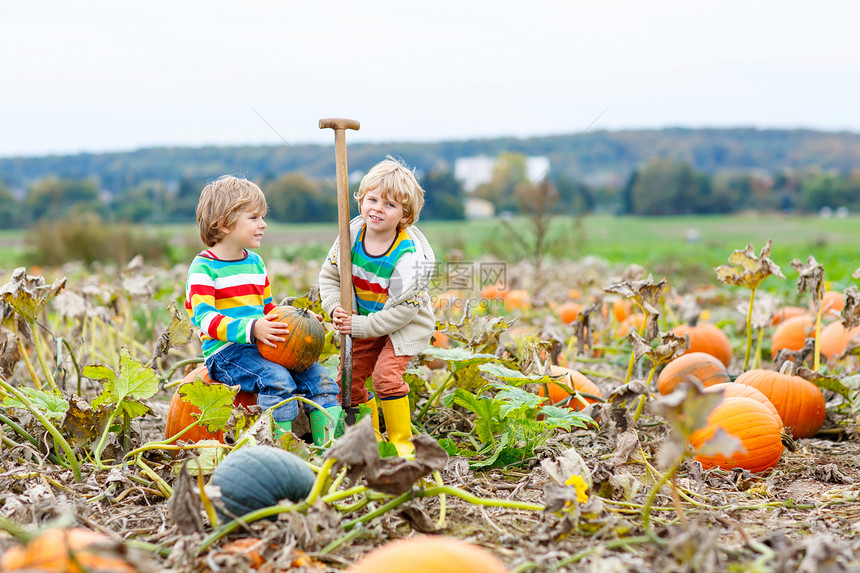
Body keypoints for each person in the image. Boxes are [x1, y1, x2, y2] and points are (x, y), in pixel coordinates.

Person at [185, 175, 342, 446]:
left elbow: (269, 309)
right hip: (226, 353)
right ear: (224, 224)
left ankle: (331, 449)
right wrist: (253, 329)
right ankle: (278, 449)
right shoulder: (204, 268)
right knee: (277, 379)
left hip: (262, 346)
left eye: (263, 217)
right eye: (254, 218)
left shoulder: (255, 263)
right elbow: (206, 319)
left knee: (321, 378)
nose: (263, 224)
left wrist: (299, 320)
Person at [319, 157, 436, 456]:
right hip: (366, 320)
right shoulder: (350, 238)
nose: (377, 208)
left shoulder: (410, 258)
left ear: (405, 215)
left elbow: (402, 314)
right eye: (372, 199)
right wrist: (335, 308)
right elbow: (330, 276)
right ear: (360, 200)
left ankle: (401, 440)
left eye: (389, 205)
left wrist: (358, 326)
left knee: (385, 376)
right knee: (348, 379)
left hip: (401, 328)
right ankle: (368, 437)